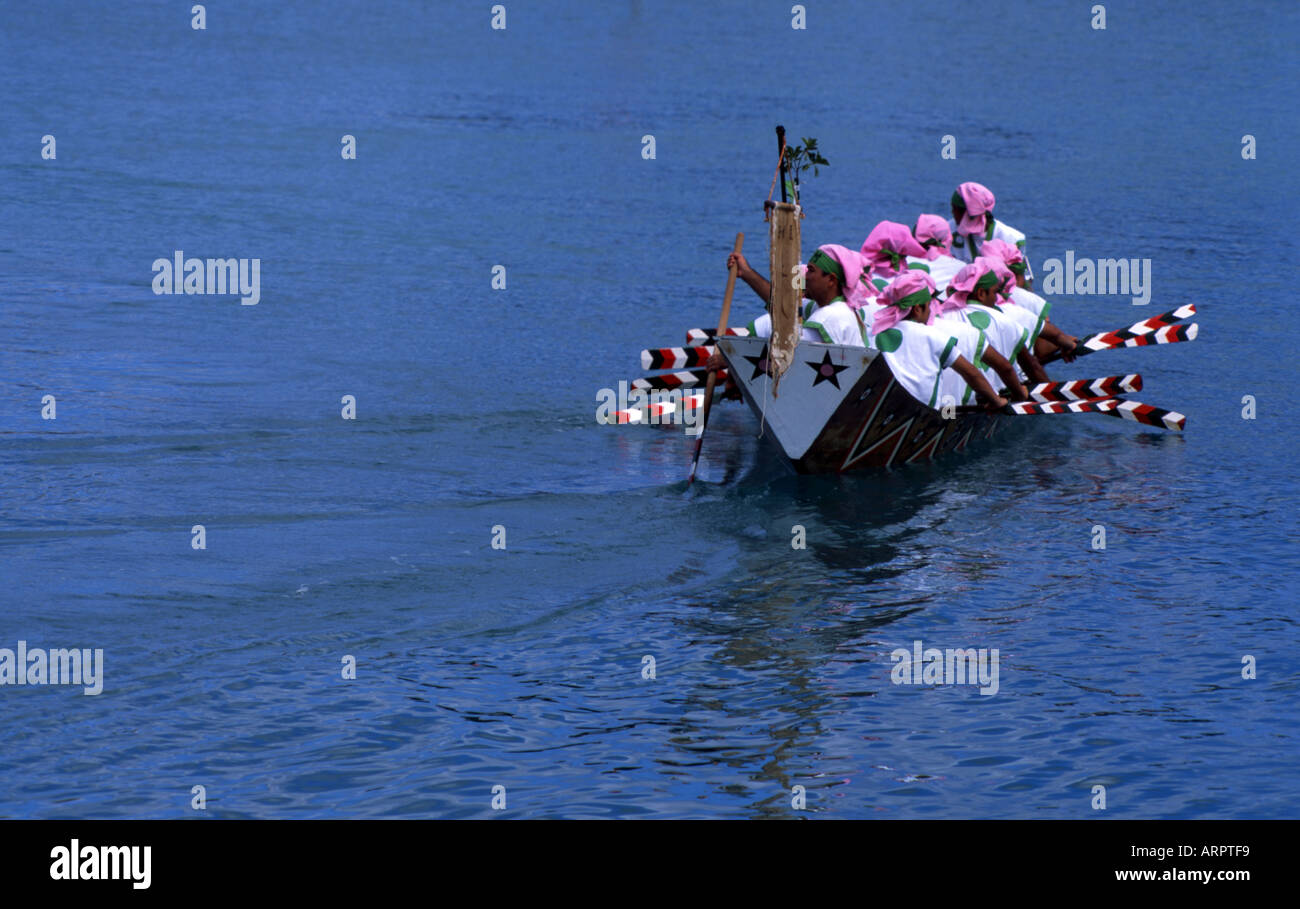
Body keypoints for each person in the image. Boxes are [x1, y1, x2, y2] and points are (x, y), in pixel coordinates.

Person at [871, 272, 1009, 411]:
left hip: (886, 410)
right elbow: (971, 373)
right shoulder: (932, 335)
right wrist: (996, 400)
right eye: (928, 306)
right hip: (924, 414)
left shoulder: (875, 336)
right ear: (918, 309)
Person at [726, 244, 866, 346]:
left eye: (811, 270)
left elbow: (790, 347)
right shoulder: (827, 307)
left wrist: (733, 356)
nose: (805, 276)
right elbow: (783, 304)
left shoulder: (832, 315)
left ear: (831, 280)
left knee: (767, 324)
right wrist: (746, 273)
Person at [937, 258, 1050, 385]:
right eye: (995, 292)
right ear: (981, 293)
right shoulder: (1002, 319)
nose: (996, 298)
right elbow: (1026, 366)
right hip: (995, 397)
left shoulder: (939, 318)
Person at [979, 239, 1078, 361]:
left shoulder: (975, 297)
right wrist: (1065, 341)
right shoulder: (1029, 301)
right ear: (1014, 274)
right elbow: (1041, 350)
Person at [947, 182, 1034, 286]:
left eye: (956, 209)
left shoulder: (1011, 239)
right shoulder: (947, 231)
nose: (952, 212)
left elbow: (1024, 281)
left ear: (970, 212)